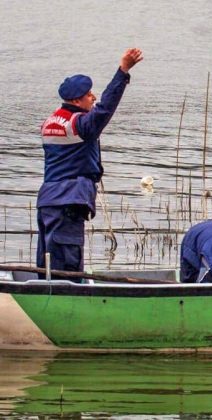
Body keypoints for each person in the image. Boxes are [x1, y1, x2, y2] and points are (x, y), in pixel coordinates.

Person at [36, 48, 143, 279]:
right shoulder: (81, 125)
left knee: (47, 264)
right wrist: (122, 71)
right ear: (76, 100)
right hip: (68, 201)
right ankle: (68, 307)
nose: (93, 97)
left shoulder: (49, 122)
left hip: (47, 201)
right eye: (88, 95)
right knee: (67, 269)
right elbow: (106, 107)